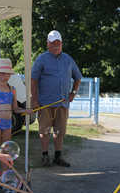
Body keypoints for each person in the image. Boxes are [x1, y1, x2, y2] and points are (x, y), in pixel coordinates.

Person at [31, 30, 82, 167]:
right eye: (53, 43)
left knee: (59, 131)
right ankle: (45, 156)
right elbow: (33, 80)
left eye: (58, 44)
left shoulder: (68, 59)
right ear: (48, 44)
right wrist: (34, 100)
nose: (56, 46)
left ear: (62, 44)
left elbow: (78, 77)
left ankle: (58, 156)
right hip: (45, 103)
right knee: (44, 131)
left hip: (62, 103)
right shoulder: (42, 59)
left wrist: (73, 93)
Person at [0, 58, 31, 179]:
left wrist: (25, 111)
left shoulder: (12, 90)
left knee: (6, 149)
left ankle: (4, 176)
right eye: (2, 73)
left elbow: (15, 109)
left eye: (7, 74)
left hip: (7, 123)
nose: (4, 76)